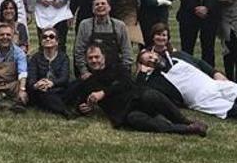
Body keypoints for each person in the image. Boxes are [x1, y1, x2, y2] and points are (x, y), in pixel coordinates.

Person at [72, 45, 208, 136]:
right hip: (124, 112)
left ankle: (184, 121)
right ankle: (187, 129)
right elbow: (79, 102)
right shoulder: (88, 82)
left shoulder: (117, 68)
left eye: (97, 57)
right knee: (135, 120)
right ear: (86, 61)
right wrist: (83, 108)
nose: (94, 60)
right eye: (90, 58)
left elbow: (126, 84)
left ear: (103, 57)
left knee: (150, 95)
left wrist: (103, 93)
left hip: (138, 99)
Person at [73, 0, 133, 78]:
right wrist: (84, 71)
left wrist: (124, 71)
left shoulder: (120, 25)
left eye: (103, 3)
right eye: (96, 4)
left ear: (109, 7)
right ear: (93, 9)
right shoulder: (85, 25)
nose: (100, 6)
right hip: (91, 72)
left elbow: (127, 51)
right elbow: (79, 51)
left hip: (115, 71)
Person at [26, 26, 74, 118]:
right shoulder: (35, 58)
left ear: (57, 41)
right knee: (42, 93)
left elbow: (64, 78)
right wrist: (37, 84)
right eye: (44, 37)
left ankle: (54, 104)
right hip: (41, 91)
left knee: (76, 84)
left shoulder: (63, 57)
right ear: (41, 41)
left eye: (51, 37)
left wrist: (51, 83)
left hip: (58, 89)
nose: (48, 39)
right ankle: (63, 110)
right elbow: (32, 78)